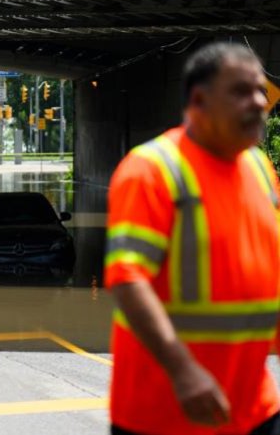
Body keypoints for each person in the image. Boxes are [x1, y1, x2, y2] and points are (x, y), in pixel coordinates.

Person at [105, 42, 280, 434]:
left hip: (254, 409)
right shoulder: (151, 171)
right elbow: (129, 280)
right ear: (199, 100)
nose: (258, 102)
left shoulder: (259, 167)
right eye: (240, 92)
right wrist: (184, 372)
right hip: (167, 415)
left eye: (260, 91)